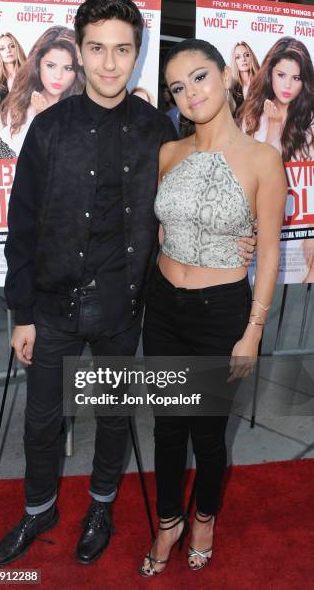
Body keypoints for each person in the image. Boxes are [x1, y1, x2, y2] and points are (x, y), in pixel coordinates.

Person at [0, 0, 255, 570]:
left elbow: (198, 196)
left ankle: (101, 507)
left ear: (137, 55)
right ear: (79, 53)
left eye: (123, 50)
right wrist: (23, 314)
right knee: (41, 421)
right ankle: (39, 510)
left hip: (124, 309)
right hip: (53, 308)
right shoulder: (49, 129)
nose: (110, 64)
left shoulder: (157, 131)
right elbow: (24, 222)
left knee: (112, 417)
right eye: (97, 49)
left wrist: (237, 236)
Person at [139, 38, 287, 576]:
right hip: (164, 307)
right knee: (166, 428)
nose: (190, 93)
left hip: (221, 313)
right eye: (178, 87)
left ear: (225, 76)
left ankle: (204, 518)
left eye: (199, 77)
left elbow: (269, 251)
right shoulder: (168, 153)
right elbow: (163, 229)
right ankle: (168, 521)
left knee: (207, 431)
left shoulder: (263, 159)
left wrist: (252, 332)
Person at [0, 26, 85, 155]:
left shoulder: (82, 112)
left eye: (68, 68)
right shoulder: (20, 105)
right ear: (38, 64)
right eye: (51, 66)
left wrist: (45, 118)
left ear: (77, 71)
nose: (58, 76)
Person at [240, 37, 314, 162]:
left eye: (296, 78)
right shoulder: (253, 115)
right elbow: (256, 169)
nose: (287, 85)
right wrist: (274, 125)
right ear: (269, 74)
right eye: (281, 75)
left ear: (304, 81)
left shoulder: (310, 120)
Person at [0, 32, 26, 106]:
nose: (8, 50)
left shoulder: (31, 75)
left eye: (12, 46)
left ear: (17, 49)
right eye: (2, 48)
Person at [230, 41, 259, 114]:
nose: (243, 59)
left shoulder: (263, 84)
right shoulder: (231, 89)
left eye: (247, 55)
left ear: (252, 57)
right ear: (234, 61)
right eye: (238, 57)